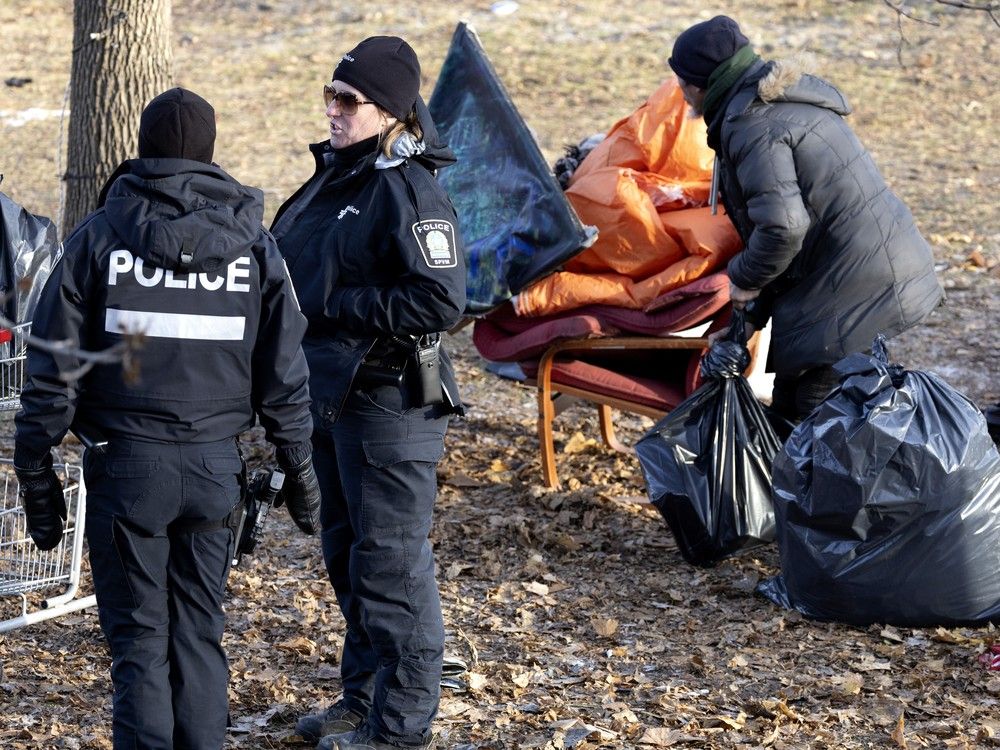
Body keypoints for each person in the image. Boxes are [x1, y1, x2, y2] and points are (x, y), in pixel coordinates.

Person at [13, 87, 322, 749]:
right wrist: (301, 472)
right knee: (198, 634)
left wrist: (34, 469)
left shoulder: (100, 238)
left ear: (144, 150)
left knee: (140, 644)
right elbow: (284, 374)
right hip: (216, 469)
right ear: (210, 153)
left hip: (128, 472)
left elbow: (54, 366)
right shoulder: (255, 248)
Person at [270, 36, 466, 750]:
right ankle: (362, 700)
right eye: (329, 95)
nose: (334, 110)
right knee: (348, 556)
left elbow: (441, 299)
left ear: (389, 111)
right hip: (332, 397)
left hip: (390, 404)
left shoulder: (406, 186)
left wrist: (335, 304)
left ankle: (400, 727)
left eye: (347, 101)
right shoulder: (338, 175)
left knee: (391, 568)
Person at [669, 15, 943, 421]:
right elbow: (789, 236)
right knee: (804, 418)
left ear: (698, 83)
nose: (678, 90)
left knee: (817, 427)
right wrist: (744, 325)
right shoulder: (768, 106)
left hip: (852, 287)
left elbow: (782, 229)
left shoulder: (752, 126)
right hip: (860, 274)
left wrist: (742, 277)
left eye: (680, 80)